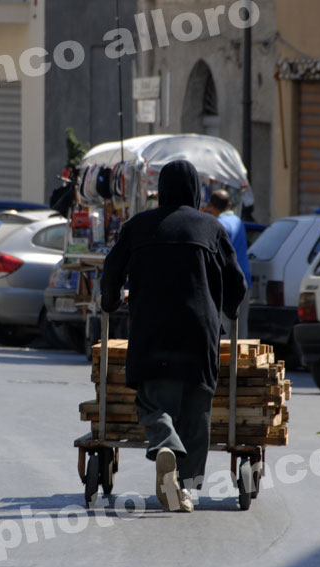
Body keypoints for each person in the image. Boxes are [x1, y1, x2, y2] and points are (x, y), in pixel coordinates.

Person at [101, 160, 247, 513]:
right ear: (196, 192)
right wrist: (229, 309)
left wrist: (110, 300)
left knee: (154, 402)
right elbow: (237, 283)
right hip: (199, 334)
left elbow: (111, 273)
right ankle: (184, 488)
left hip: (152, 332)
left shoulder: (137, 227)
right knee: (197, 413)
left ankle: (165, 444)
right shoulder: (210, 227)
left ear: (161, 189)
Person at [204, 189, 252, 339]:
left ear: (212, 206)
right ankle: (241, 362)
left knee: (224, 332)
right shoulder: (238, 222)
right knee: (240, 331)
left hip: (227, 284)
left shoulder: (218, 225)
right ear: (229, 204)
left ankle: (225, 364)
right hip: (245, 281)